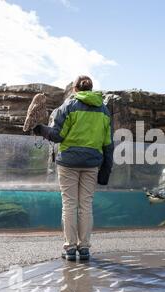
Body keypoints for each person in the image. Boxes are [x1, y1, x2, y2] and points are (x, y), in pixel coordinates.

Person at [34, 75, 114, 261]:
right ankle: (84, 248)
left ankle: (70, 249)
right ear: (91, 89)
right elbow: (108, 144)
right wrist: (106, 169)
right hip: (92, 163)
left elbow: (57, 135)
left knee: (69, 205)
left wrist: (40, 129)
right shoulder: (104, 111)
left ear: (75, 90)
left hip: (68, 162)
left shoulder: (68, 106)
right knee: (85, 206)